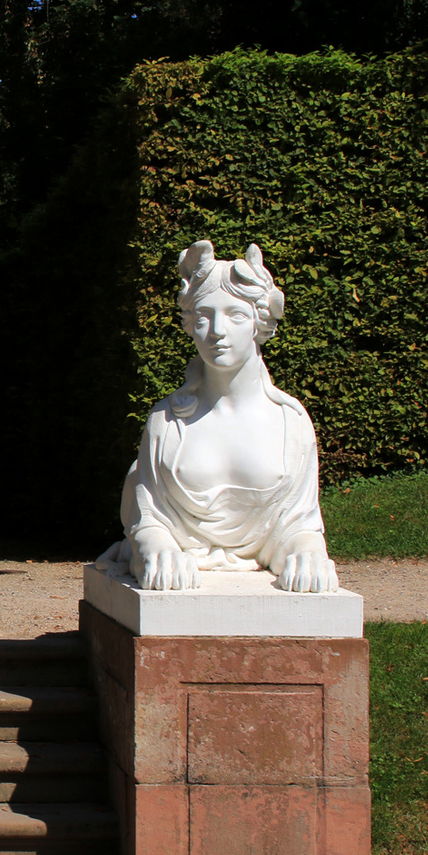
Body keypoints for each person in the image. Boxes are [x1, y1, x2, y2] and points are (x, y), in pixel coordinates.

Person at [96, 240, 338, 593]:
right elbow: (148, 516)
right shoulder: (166, 422)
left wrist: (309, 550)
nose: (218, 331)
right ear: (191, 324)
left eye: (235, 315)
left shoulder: (291, 422)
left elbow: (297, 523)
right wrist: (156, 546)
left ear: (259, 322)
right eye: (205, 316)